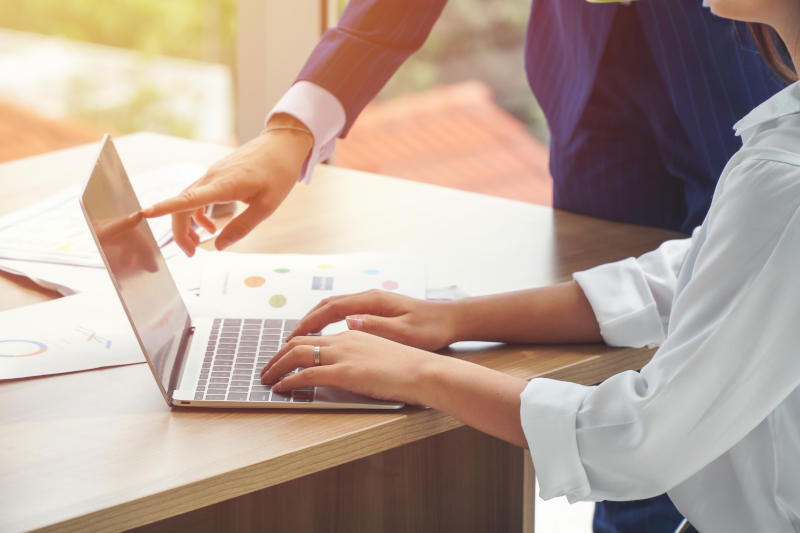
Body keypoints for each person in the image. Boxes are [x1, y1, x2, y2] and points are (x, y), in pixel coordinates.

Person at [141, 1, 786, 531]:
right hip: (597, 69)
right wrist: (448, 319)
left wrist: (422, 374)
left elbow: (640, 440)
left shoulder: (775, 168)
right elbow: (687, 274)